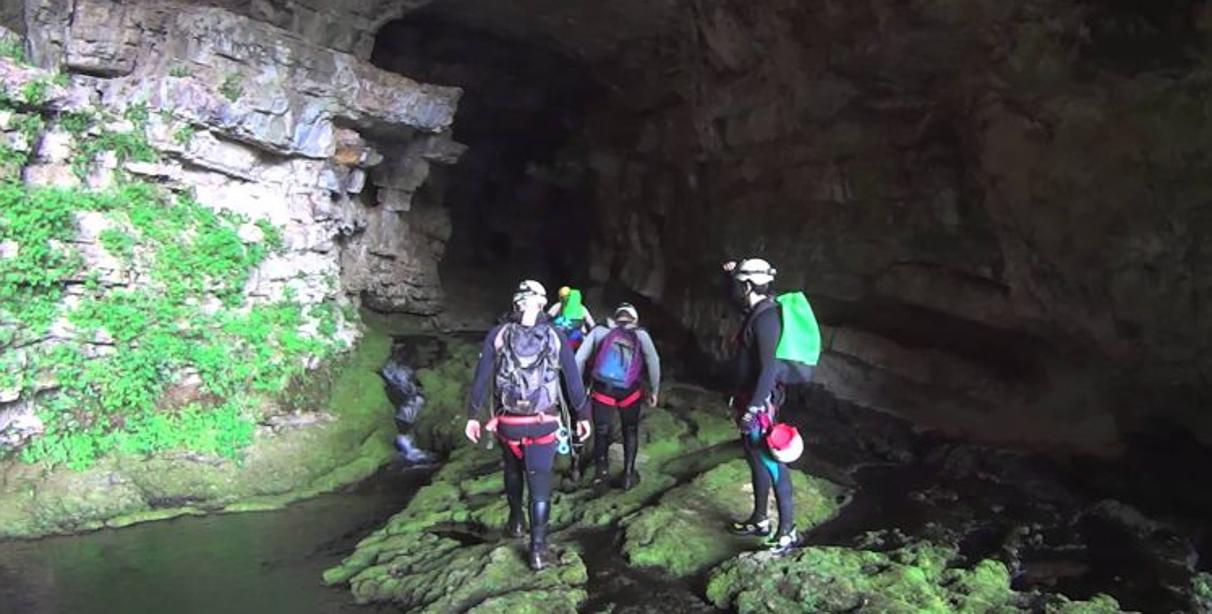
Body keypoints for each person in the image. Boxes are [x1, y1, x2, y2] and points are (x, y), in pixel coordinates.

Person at [465, 280, 591, 571]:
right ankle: (537, 550)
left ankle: (516, 522)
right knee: (540, 485)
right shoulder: (556, 335)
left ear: (516, 303)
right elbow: (572, 382)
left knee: (511, 469)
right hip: (542, 423)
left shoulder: (498, 334)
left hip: (508, 424)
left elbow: (482, 378)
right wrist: (583, 417)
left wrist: (473, 416)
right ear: (543, 303)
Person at [722, 258, 816, 555]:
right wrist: (729, 276)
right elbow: (736, 303)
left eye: (739, 284)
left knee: (773, 462)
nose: (737, 289)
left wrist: (752, 410)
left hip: (761, 403)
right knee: (755, 459)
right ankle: (760, 519)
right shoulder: (757, 311)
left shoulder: (767, 319)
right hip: (750, 396)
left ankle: (787, 531)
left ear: (748, 285)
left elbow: (769, 369)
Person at [575, 303, 661, 490]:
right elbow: (653, 361)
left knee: (601, 431)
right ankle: (628, 474)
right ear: (634, 319)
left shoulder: (600, 331)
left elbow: (578, 359)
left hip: (603, 389)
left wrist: (580, 388)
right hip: (629, 390)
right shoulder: (640, 334)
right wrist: (654, 391)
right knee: (630, 429)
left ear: (616, 317)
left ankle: (601, 474)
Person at [547, 286, 595, 350]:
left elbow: (547, 317)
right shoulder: (582, 308)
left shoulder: (558, 305)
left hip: (560, 337)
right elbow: (592, 324)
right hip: (578, 338)